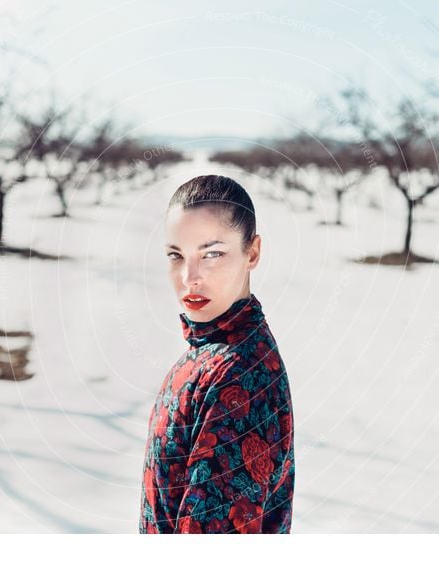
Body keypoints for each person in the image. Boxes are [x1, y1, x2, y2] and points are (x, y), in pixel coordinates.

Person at [139, 174, 295, 534]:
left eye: (212, 254)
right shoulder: (208, 352)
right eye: (176, 255)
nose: (189, 278)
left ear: (252, 253)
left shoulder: (239, 375)